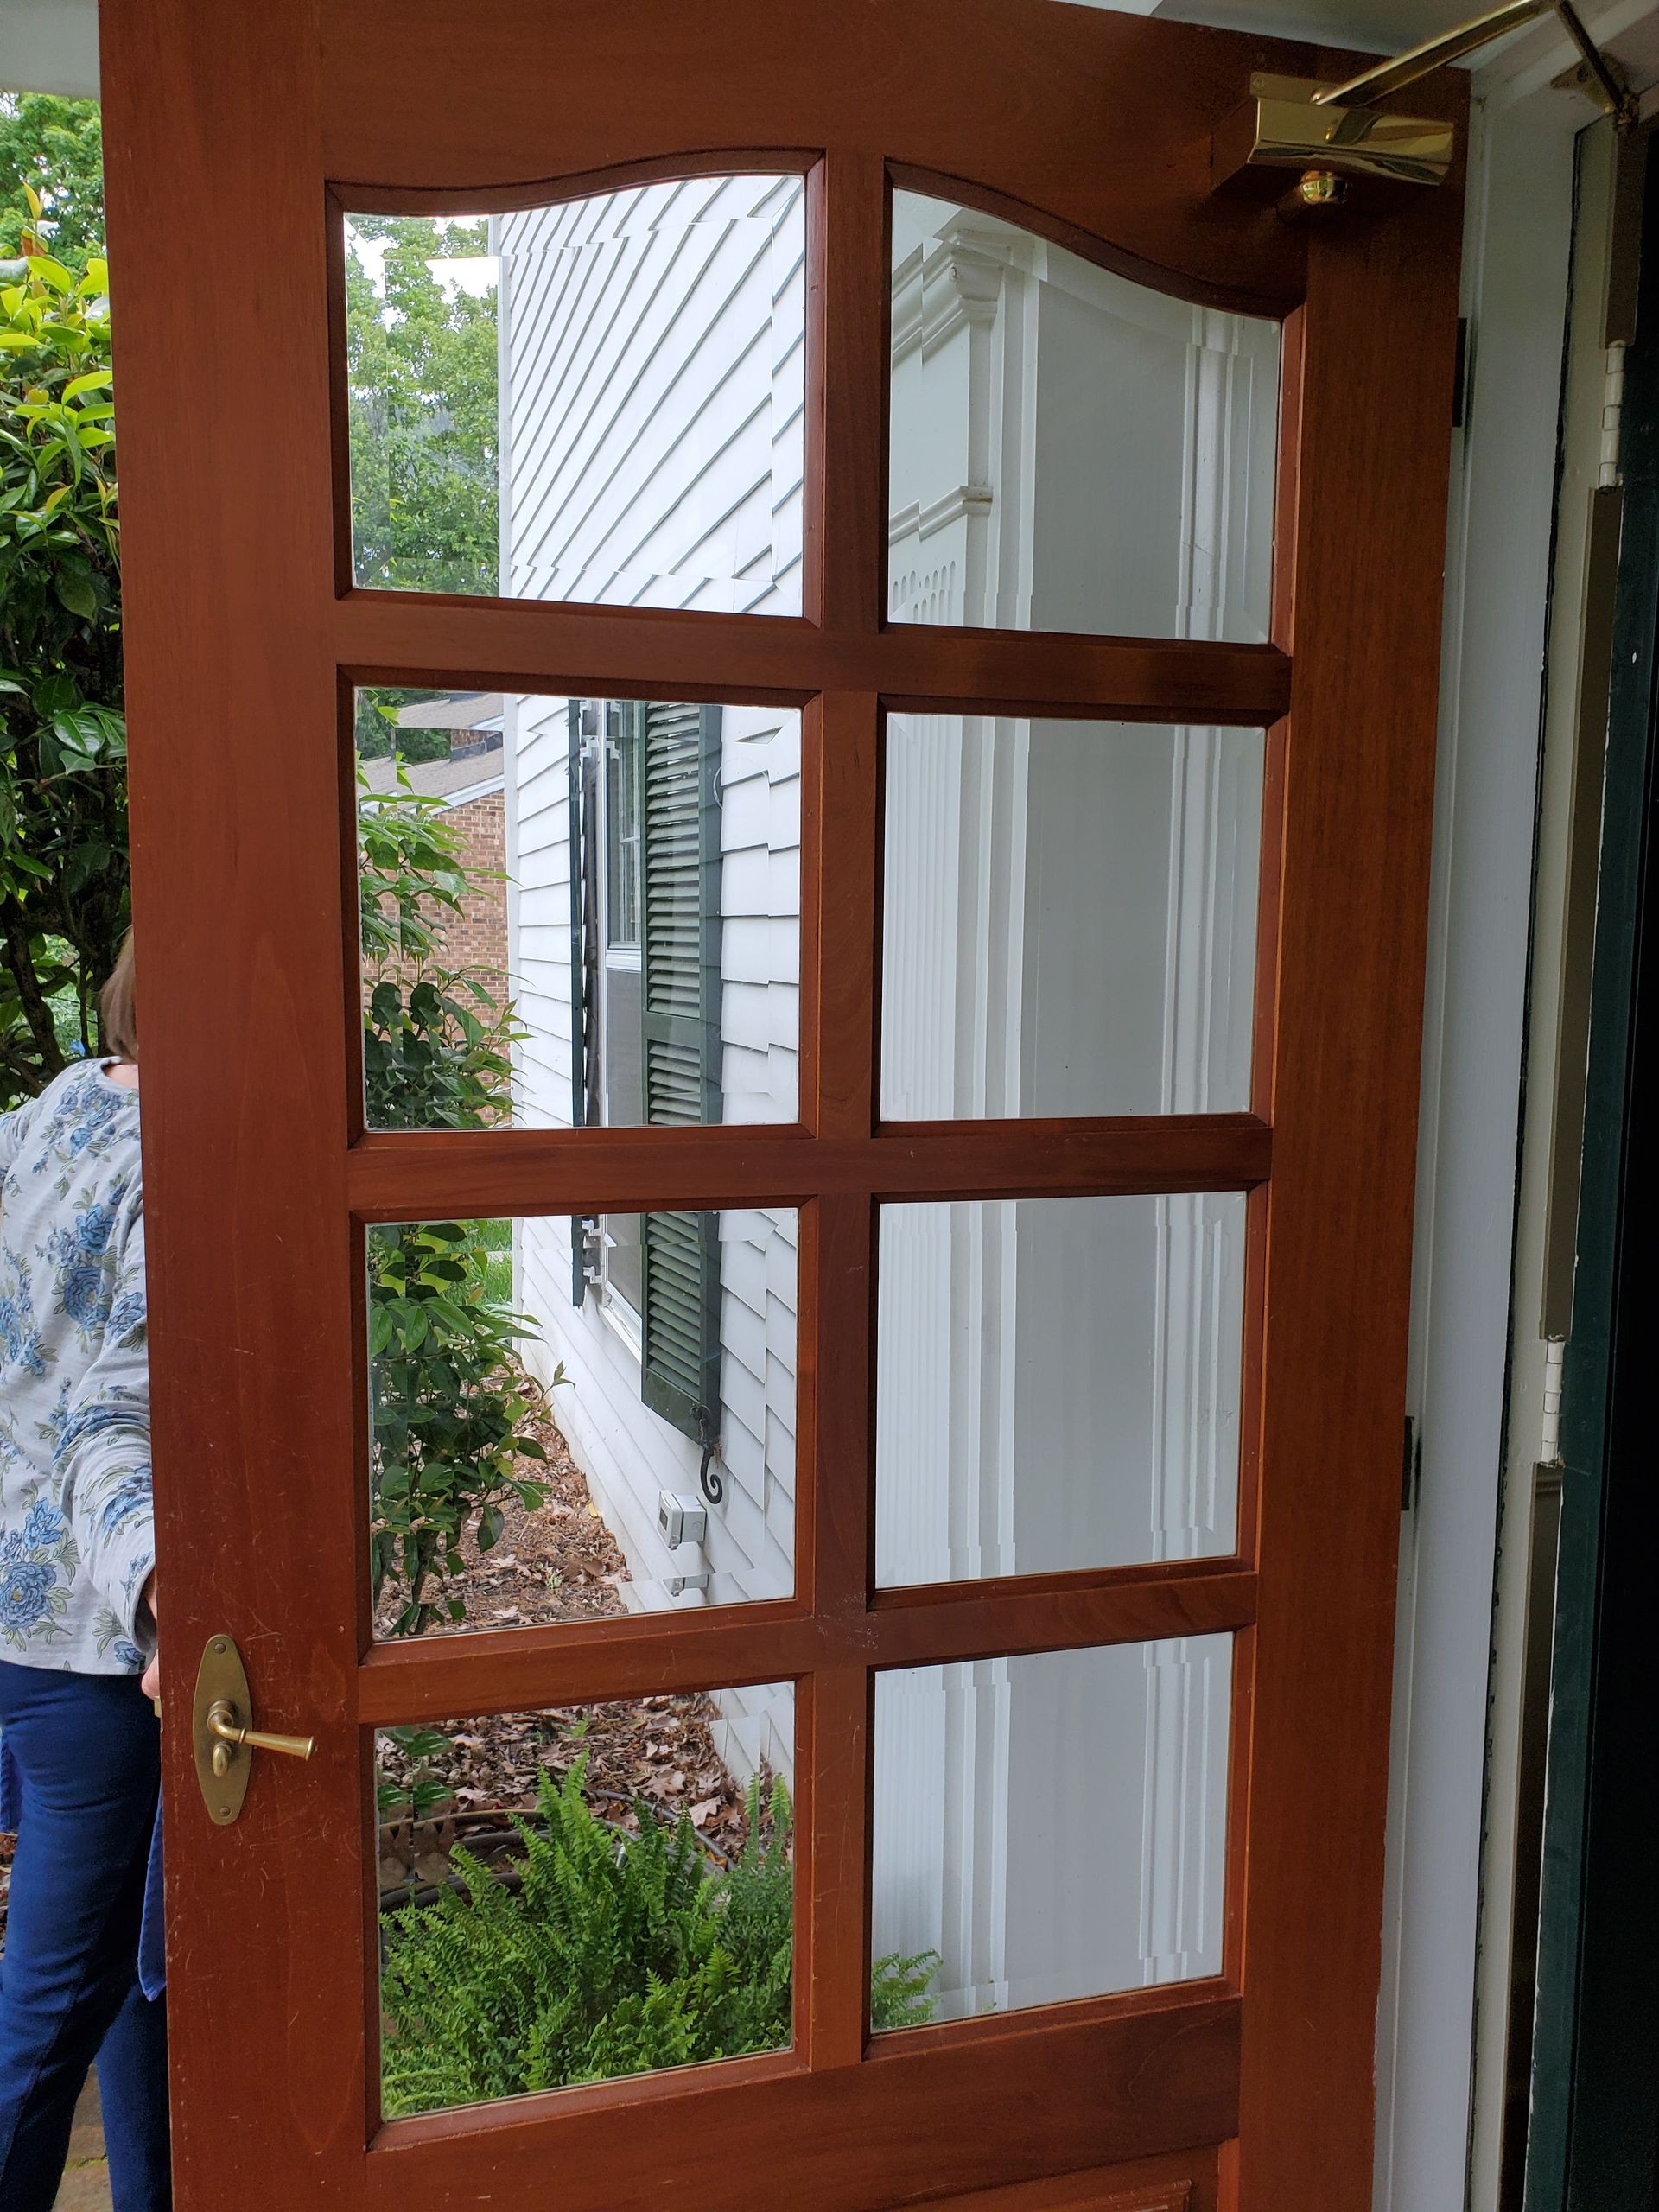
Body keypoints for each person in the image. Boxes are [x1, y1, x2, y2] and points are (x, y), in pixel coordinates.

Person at [0, 932, 168, 2210]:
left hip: (14, 1602)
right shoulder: (180, 1167)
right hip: (85, 1654)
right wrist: (164, 1598)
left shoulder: (63, 1100)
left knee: (126, 1967)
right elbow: (111, 1417)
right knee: (47, 2017)